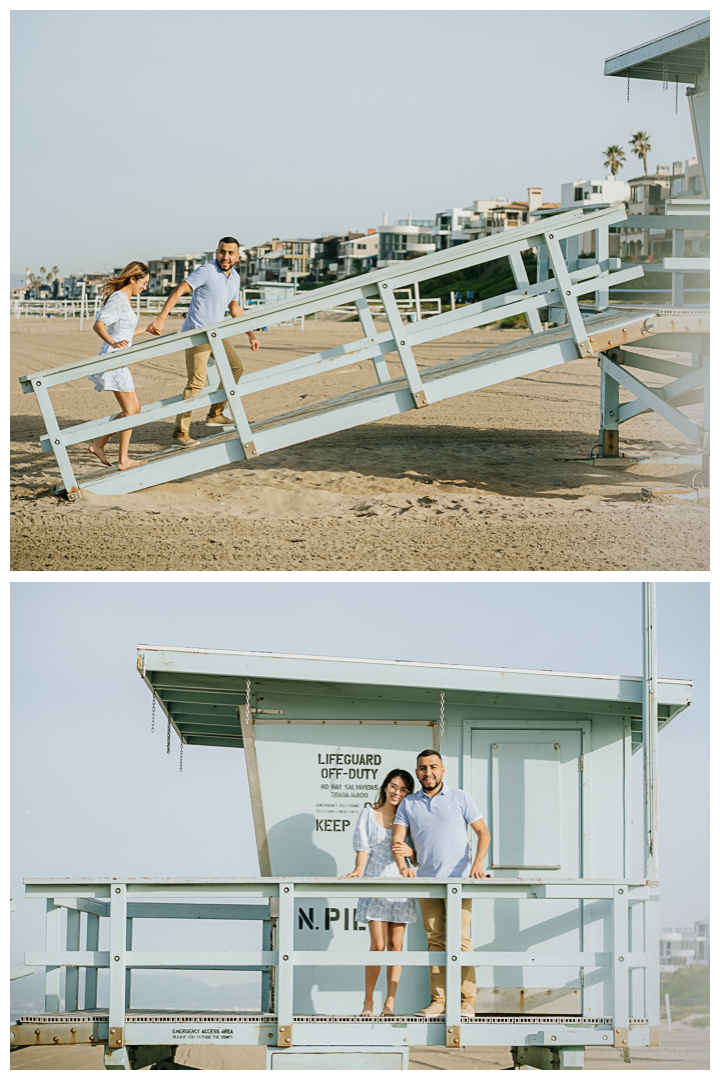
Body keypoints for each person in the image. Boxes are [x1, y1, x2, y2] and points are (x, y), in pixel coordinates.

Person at [391, 749, 491, 1018]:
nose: (428, 772)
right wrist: (404, 867)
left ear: (443, 769)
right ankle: (439, 1001)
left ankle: (466, 1002)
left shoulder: (460, 797)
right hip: (428, 882)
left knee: (459, 940)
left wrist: (478, 864)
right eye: (422, 768)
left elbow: (483, 832)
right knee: (435, 940)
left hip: (459, 880)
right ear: (417, 772)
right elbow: (398, 842)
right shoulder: (409, 803)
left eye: (433, 767)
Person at [147, 237, 260, 447]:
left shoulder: (234, 278)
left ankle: (215, 413)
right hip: (197, 334)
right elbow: (178, 290)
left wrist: (250, 335)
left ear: (238, 256)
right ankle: (179, 434)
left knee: (236, 367)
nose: (225, 257)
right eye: (222, 252)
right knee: (196, 383)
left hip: (216, 334)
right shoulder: (206, 271)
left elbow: (235, 308)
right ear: (216, 252)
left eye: (230, 253)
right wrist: (161, 318)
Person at [344, 769, 418, 1017]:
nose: (398, 792)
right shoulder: (368, 813)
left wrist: (411, 854)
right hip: (376, 883)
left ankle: (389, 1003)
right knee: (378, 944)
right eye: (394, 786)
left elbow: (416, 855)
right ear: (385, 787)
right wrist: (358, 869)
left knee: (396, 946)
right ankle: (368, 1002)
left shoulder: (409, 818)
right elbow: (363, 847)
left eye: (404, 789)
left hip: (401, 884)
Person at [88, 261, 155, 471]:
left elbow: (124, 334)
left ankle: (100, 445)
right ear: (132, 278)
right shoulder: (119, 298)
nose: (145, 287)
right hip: (113, 360)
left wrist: (146, 328)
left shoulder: (124, 299)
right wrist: (112, 343)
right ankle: (120, 458)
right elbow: (98, 324)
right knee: (131, 410)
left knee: (134, 409)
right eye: (143, 283)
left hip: (118, 358)